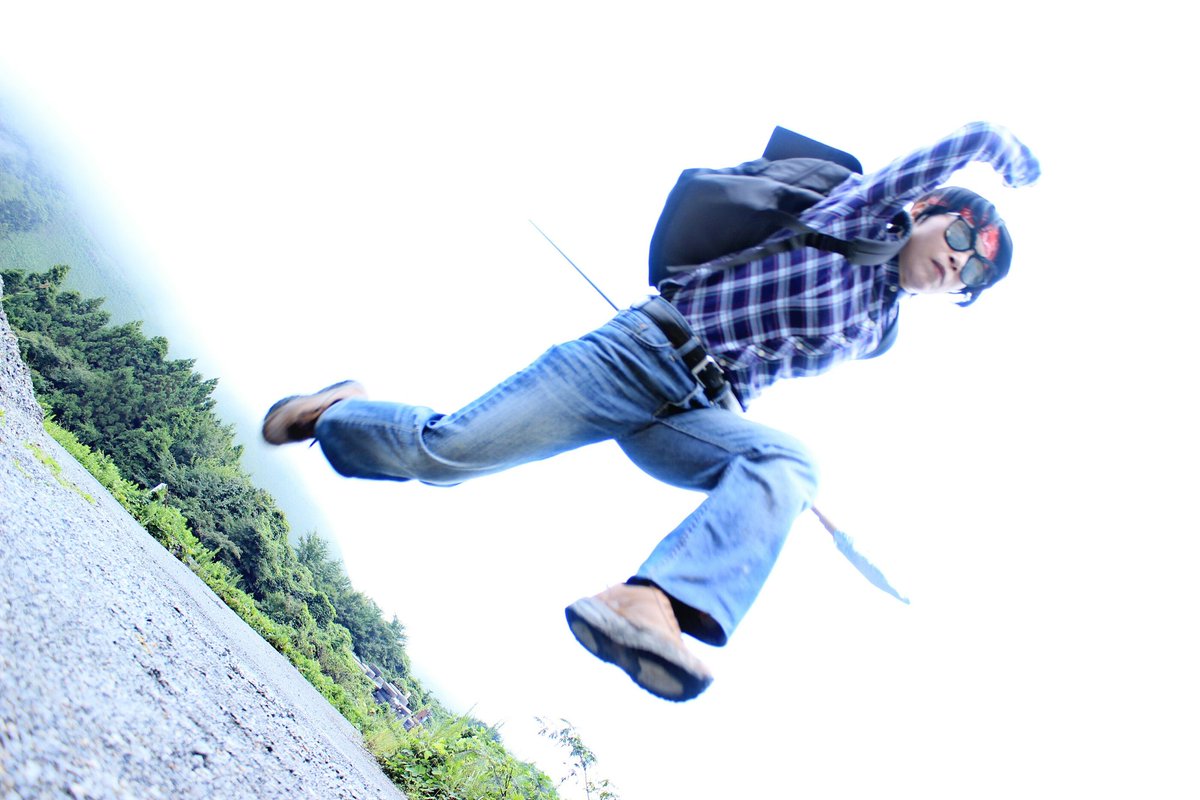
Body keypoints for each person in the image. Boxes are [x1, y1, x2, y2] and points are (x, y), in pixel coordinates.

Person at [262, 121, 1040, 702]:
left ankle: (650, 601)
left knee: (788, 461)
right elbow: (951, 149)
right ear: (926, 208)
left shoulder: (879, 331)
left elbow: (766, 360)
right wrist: (999, 147)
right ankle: (337, 413)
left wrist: (733, 425)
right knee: (445, 456)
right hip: (633, 357)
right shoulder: (866, 216)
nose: (957, 259)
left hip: (698, 409)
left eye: (972, 274)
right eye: (961, 233)